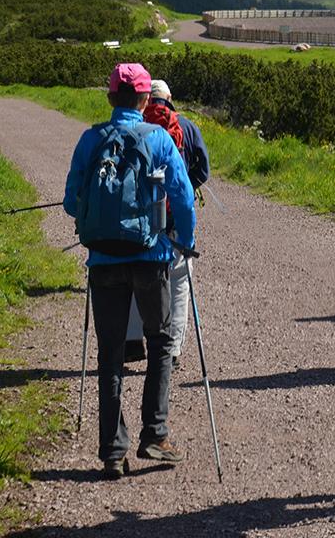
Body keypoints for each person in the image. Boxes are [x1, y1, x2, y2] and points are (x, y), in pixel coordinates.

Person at [63, 62, 196, 480]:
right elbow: (184, 197)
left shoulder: (90, 140)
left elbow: (70, 202)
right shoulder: (157, 138)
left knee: (111, 351)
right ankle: (154, 435)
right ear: (144, 100)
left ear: (109, 98)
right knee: (160, 342)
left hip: (102, 259)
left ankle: (111, 450)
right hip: (150, 256)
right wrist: (184, 243)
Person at [143, 79, 210, 369]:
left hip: (140, 217)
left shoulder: (137, 125)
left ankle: (134, 341)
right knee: (180, 281)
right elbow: (203, 169)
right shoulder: (186, 125)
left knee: (138, 276)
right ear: (170, 98)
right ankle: (172, 350)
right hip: (174, 215)